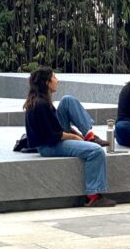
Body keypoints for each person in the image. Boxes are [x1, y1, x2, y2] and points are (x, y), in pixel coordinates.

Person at [23, 66, 115, 208]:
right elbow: (53, 135)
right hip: (49, 146)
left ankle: (89, 135)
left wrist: (77, 134)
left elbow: (55, 124)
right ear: (47, 82)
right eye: (54, 77)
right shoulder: (40, 104)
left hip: (53, 138)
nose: (57, 80)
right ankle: (94, 195)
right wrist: (74, 137)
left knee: (67, 100)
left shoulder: (43, 100)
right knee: (95, 151)